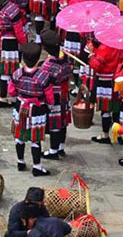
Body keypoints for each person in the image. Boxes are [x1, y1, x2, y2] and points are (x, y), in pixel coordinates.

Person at [10, 43, 53, 176]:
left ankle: (20, 161)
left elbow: (11, 92)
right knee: (35, 139)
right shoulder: (43, 76)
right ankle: (37, 166)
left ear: (23, 59)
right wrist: (49, 106)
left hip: (20, 106)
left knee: (19, 136)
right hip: (37, 110)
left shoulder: (17, 74)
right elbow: (49, 96)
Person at [39, 29, 73, 160]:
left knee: (55, 122)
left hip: (54, 95)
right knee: (62, 121)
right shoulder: (65, 57)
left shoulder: (49, 64)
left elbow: (44, 80)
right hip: (64, 93)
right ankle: (61, 146)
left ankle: (53, 150)